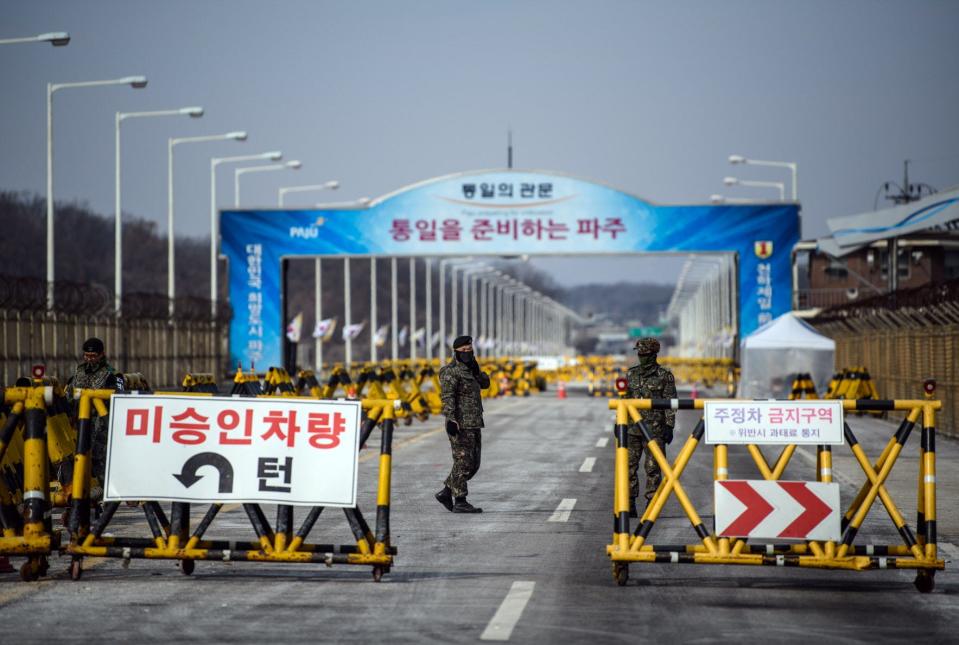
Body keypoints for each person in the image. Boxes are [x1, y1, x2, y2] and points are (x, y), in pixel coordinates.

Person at [436, 335, 490, 513]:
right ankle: (460, 501)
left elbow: (485, 385)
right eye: (464, 351)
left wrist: (477, 371)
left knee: (473, 464)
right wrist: (451, 418)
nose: (468, 353)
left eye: (470, 350)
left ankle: (446, 492)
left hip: (474, 421)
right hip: (459, 423)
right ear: (456, 351)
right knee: (463, 462)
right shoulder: (450, 371)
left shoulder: (470, 369)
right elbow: (447, 396)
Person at [625, 337, 676, 517]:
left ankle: (652, 502)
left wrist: (669, 425)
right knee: (628, 467)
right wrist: (619, 423)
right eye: (639, 354)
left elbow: (671, 402)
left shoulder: (664, 375)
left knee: (653, 467)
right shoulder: (631, 374)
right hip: (632, 429)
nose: (641, 357)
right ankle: (629, 502)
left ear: (654, 354)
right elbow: (624, 401)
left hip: (655, 429)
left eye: (645, 354)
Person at [67, 338, 124, 487]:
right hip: (81, 423)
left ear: (101, 354)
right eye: (86, 355)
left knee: (100, 459)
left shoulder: (112, 374)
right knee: (79, 458)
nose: (89, 359)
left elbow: (119, 397)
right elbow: (69, 393)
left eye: (93, 356)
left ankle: (106, 494)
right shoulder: (79, 372)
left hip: (102, 424)